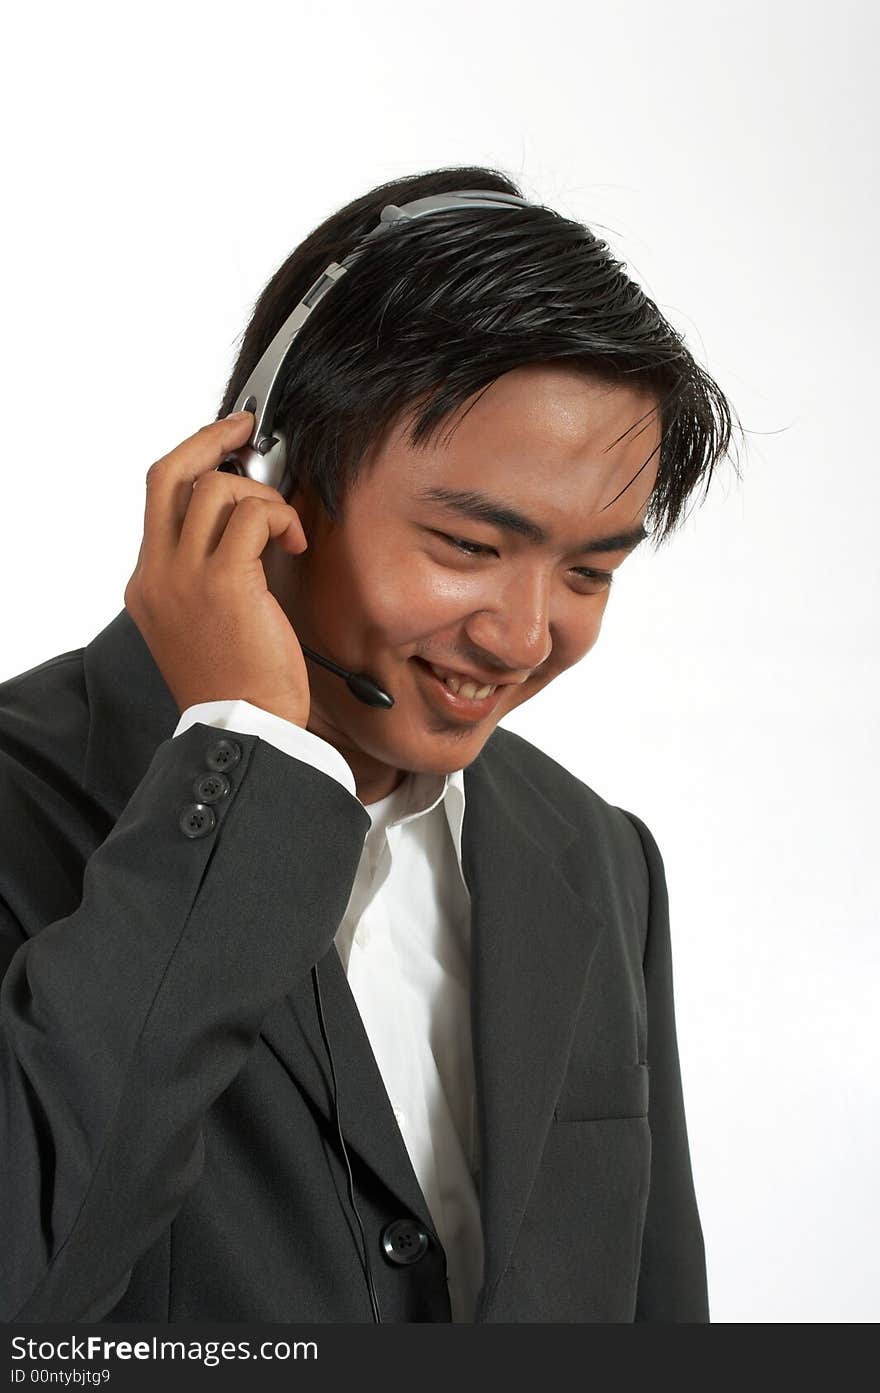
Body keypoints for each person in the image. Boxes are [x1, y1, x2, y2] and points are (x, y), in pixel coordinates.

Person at [0, 165, 739, 1324]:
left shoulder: (598, 855)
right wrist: (239, 763)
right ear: (265, 479)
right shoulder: (18, 801)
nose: (524, 636)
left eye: (590, 569)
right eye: (465, 544)